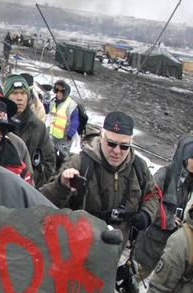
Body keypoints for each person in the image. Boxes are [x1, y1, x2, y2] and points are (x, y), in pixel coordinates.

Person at [40, 112, 159, 244]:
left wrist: (147, 214)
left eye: (124, 146)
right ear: (101, 137)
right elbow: (43, 202)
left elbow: (153, 194)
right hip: (76, 247)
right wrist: (61, 185)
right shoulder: (79, 163)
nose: (117, 151)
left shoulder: (139, 168)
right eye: (111, 144)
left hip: (115, 250)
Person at [134, 136, 193, 276]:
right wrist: (170, 220)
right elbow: (148, 202)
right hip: (149, 244)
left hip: (169, 248)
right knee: (135, 277)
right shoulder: (164, 175)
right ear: (185, 157)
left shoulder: (189, 184)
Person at [5, 75, 56, 187]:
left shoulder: (38, 127)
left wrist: (32, 181)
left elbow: (49, 161)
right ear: (6, 96)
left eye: (23, 93)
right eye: (14, 93)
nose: (19, 98)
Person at [48, 79, 79, 159]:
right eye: (57, 92)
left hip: (65, 137)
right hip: (53, 135)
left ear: (65, 93)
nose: (58, 94)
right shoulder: (53, 102)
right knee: (50, 154)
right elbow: (49, 113)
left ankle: (62, 169)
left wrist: (70, 134)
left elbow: (75, 122)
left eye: (61, 92)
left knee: (64, 157)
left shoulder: (71, 105)